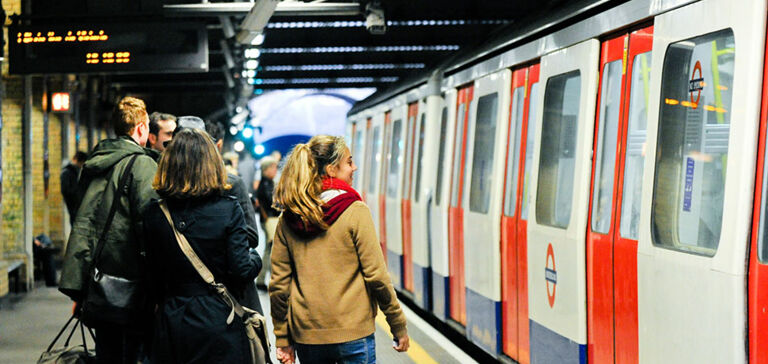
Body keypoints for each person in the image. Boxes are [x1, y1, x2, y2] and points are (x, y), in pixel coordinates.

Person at [269, 135, 410, 364]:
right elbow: (377, 276)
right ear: (332, 169)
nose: (354, 167)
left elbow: (279, 286)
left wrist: (283, 338)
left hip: (308, 336)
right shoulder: (355, 210)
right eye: (349, 162)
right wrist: (398, 324)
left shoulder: (289, 218)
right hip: (353, 333)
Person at [142, 128, 262, 363]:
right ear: (211, 164)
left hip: (171, 320)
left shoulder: (154, 213)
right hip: (219, 320)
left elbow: (151, 276)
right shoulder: (229, 209)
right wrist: (255, 258)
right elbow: (242, 271)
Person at [59, 96, 160, 364]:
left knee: (107, 352)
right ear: (140, 128)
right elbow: (150, 223)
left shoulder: (94, 162)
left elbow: (85, 221)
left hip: (98, 280)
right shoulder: (142, 165)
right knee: (135, 353)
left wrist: (80, 288)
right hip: (131, 281)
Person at [255, 156, 279, 288]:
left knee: (269, 250)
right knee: (270, 250)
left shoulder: (266, 183)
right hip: (270, 220)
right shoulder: (266, 184)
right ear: (266, 169)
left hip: (268, 220)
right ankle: (264, 278)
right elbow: (272, 204)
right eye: (274, 167)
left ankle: (263, 278)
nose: (275, 170)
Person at [60, 150, 88, 228]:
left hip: (75, 204)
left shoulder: (74, 171)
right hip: (73, 204)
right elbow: (66, 190)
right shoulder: (68, 172)